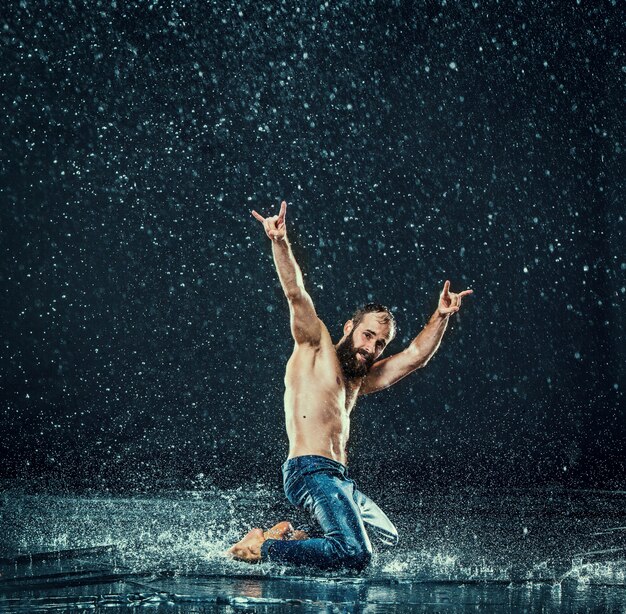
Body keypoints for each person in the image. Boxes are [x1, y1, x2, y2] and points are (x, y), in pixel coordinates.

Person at [227, 200, 472, 571]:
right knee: (355, 554)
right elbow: (296, 294)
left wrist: (441, 316)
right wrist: (280, 241)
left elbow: (415, 357)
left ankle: (288, 535)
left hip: (338, 477)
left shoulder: (359, 378)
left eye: (379, 344)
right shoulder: (314, 346)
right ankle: (262, 548)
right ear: (349, 327)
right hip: (309, 470)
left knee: (385, 536)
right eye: (367, 335)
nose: (370, 348)